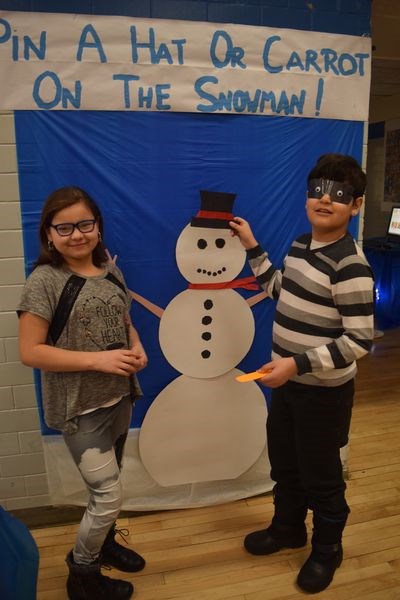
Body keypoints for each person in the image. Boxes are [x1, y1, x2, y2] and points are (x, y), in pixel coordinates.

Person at [229, 154, 374, 594]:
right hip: (287, 388)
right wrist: (253, 247)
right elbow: (277, 288)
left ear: (357, 205)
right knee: (286, 464)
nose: (325, 200)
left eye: (340, 194)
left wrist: (297, 363)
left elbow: (360, 341)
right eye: (317, 191)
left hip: (322, 395)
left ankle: (328, 549)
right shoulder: (298, 246)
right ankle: (288, 528)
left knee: (322, 476)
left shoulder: (351, 264)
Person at [18, 186, 148, 600]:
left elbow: (125, 319)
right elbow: (30, 352)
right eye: (65, 227)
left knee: (112, 489)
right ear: (49, 234)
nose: (77, 235)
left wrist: (136, 346)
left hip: (120, 399)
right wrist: (97, 361)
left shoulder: (111, 271)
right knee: (107, 497)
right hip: (81, 409)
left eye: (85, 224)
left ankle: (104, 543)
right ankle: (83, 573)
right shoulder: (44, 281)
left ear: (98, 227)